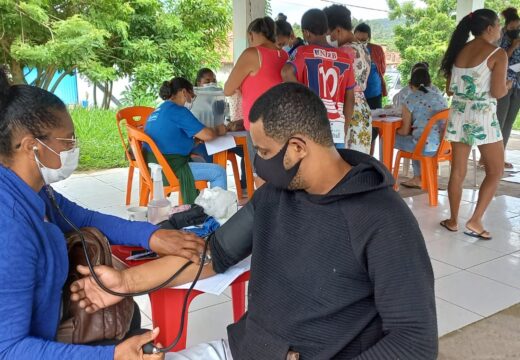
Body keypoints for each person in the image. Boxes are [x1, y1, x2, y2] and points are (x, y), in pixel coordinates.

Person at [71, 83, 438, 360]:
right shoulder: (277, 194)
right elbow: (213, 254)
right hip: (245, 348)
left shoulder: (383, 219)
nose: (258, 164)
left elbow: (414, 341)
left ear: (297, 147)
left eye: (263, 151)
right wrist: (124, 282)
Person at [0, 67, 208, 359]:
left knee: (129, 315)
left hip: (61, 323)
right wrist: (112, 356)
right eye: (68, 141)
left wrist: (152, 236)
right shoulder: (9, 227)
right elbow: (9, 349)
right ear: (31, 146)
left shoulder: (33, 191)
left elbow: (84, 218)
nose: (75, 148)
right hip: (41, 347)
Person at [439, 9, 509, 240]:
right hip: (483, 118)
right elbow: (497, 92)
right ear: (489, 28)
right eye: (498, 25)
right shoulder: (498, 53)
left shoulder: (458, 50)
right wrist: (507, 84)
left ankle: (453, 220)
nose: (500, 29)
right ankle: (476, 219)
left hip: (459, 115)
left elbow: (451, 89)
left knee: (457, 172)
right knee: (495, 171)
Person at [224, 17, 288, 185]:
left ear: (251, 35)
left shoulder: (252, 54)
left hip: (258, 125)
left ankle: (264, 211)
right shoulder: (284, 55)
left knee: (261, 177)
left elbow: (227, 89)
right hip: (284, 123)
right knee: (282, 173)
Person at [144, 77, 228, 204]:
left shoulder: (158, 110)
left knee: (199, 159)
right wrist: (219, 130)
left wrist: (195, 141)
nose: (191, 101)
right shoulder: (178, 111)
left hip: (152, 167)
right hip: (170, 169)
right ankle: (219, 215)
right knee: (219, 172)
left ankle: (197, 206)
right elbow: (208, 135)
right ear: (184, 92)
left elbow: (170, 138)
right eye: (192, 96)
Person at [282, 9, 355, 150]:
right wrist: (344, 127)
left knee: (310, 170)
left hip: (311, 126)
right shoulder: (345, 58)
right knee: (335, 169)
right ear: (326, 30)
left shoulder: (304, 52)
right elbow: (350, 98)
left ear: (306, 33)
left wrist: (305, 101)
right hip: (336, 129)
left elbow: (286, 72)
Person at [324, 4, 373, 153]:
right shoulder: (363, 48)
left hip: (347, 112)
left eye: (328, 33)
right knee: (358, 165)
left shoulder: (342, 52)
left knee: (343, 165)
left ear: (337, 30)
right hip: (363, 111)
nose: (328, 38)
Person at [394, 68, 448, 188]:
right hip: (443, 146)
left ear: (410, 85)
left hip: (425, 147)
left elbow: (404, 131)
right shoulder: (440, 98)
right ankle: (419, 178)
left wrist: (394, 132)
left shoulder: (410, 99)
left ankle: (387, 178)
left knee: (387, 139)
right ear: (430, 83)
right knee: (419, 137)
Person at [355, 23, 388, 155]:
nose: (362, 43)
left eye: (364, 40)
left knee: (374, 126)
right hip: (357, 96)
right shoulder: (350, 49)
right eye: (359, 40)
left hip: (374, 93)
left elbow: (383, 69)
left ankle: (370, 156)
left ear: (369, 38)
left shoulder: (377, 49)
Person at [497, 7, 520, 168]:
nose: (515, 30)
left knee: (509, 121)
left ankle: (500, 157)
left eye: (518, 27)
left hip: (518, 83)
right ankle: (489, 157)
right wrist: (513, 46)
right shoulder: (501, 37)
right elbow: (501, 57)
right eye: (512, 28)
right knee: (499, 120)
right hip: (504, 81)